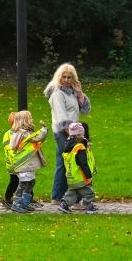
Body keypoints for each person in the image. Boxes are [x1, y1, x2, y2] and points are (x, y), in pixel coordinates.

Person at [43, 63, 91, 202]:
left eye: (69, 77)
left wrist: (79, 92)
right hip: (63, 132)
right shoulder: (57, 93)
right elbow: (61, 116)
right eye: (63, 77)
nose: (66, 80)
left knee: (64, 162)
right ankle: (61, 196)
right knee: (68, 162)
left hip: (72, 131)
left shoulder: (72, 92)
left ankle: (61, 195)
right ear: (59, 77)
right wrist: (73, 134)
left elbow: (84, 110)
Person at [8, 111, 49, 214]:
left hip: (28, 163)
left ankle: (25, 201)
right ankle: (16, 203)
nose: (32, 120)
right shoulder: (24, 133)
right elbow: (36, 138)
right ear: (24, 121)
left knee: (31, 181)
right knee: (23, 183)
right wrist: (44, 129)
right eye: (30, 118)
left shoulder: (25, 132)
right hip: (24, 163)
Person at [59, 122, 98, 214]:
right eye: (82, 134)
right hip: (81, 174)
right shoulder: (79, 147)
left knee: (73, 191)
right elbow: (82, 162)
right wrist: (87, 174)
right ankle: (89, 206)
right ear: (78, 134)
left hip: (72, 175)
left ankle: (64, 204)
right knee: (87, 191)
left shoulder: (69, 146)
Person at [2, 111, 18, 208]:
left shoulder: (19, 134)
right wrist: (16, 159)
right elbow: (9, 149)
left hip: (19, 162)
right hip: (13, 163)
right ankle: (7, 198)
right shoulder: (9, 135)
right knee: (14, 181)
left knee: (26, 181)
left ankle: (28, 197)